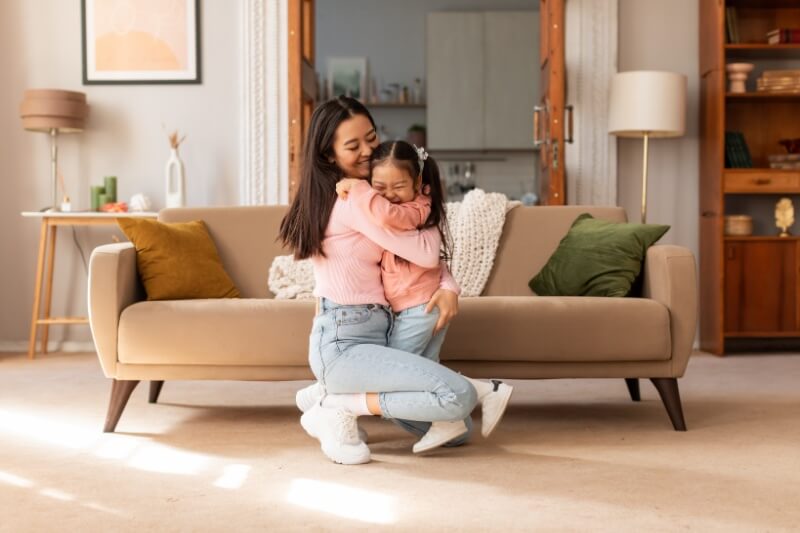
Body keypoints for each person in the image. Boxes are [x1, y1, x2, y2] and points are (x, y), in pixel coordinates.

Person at [279, 97, 503, 465]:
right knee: (459, 396)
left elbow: (416, 255)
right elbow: (427, 253)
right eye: (353, 146)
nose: (368, 150)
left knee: (456, 430)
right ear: (329, 154)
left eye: (371, 137)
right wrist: (446, 283)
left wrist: (447, 287)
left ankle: (331, 398)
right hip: (346, 340)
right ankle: (336, 403)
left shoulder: (367, 193)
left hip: (376, 332)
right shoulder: (358, 199)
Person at [335, 139, 513, 444]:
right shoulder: (390, 206)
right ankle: (450, 423)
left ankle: (486, 390)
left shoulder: (415, 209)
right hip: (415, 308)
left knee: (396, 374)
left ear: (418, 182)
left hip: (421, 309)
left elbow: (391, 217)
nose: (389, 196)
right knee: (423, 373)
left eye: (399, 186)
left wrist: (363, 189)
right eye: (380, 186)